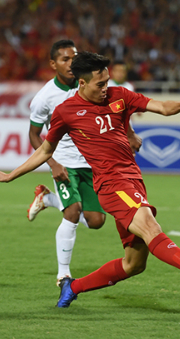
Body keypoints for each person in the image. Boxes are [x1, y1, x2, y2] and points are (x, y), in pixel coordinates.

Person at [0, 51, 180, 308]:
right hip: (111, 185)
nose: (106, 88)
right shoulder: (66, 111)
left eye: (107, 81)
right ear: (82, 83)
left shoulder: (119, 96)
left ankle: (72, 286)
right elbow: (45, 150)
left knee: (133, 265)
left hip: (133, 180)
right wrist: (11, 175)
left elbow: (161, 107)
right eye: (100, 84)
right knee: (152, 228)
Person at [27, 40, 107, 285]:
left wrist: (129, 133)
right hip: (64, 162)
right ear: (53, 64)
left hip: (90, 161)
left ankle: (47, 198)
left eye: (74, 58)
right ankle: (64, 274)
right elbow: (33, 135)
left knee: (96, 221)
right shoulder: (44, 98)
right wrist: (53, 164)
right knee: (72, 213)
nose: (71, 63)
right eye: (64, 59)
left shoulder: (89, 85)